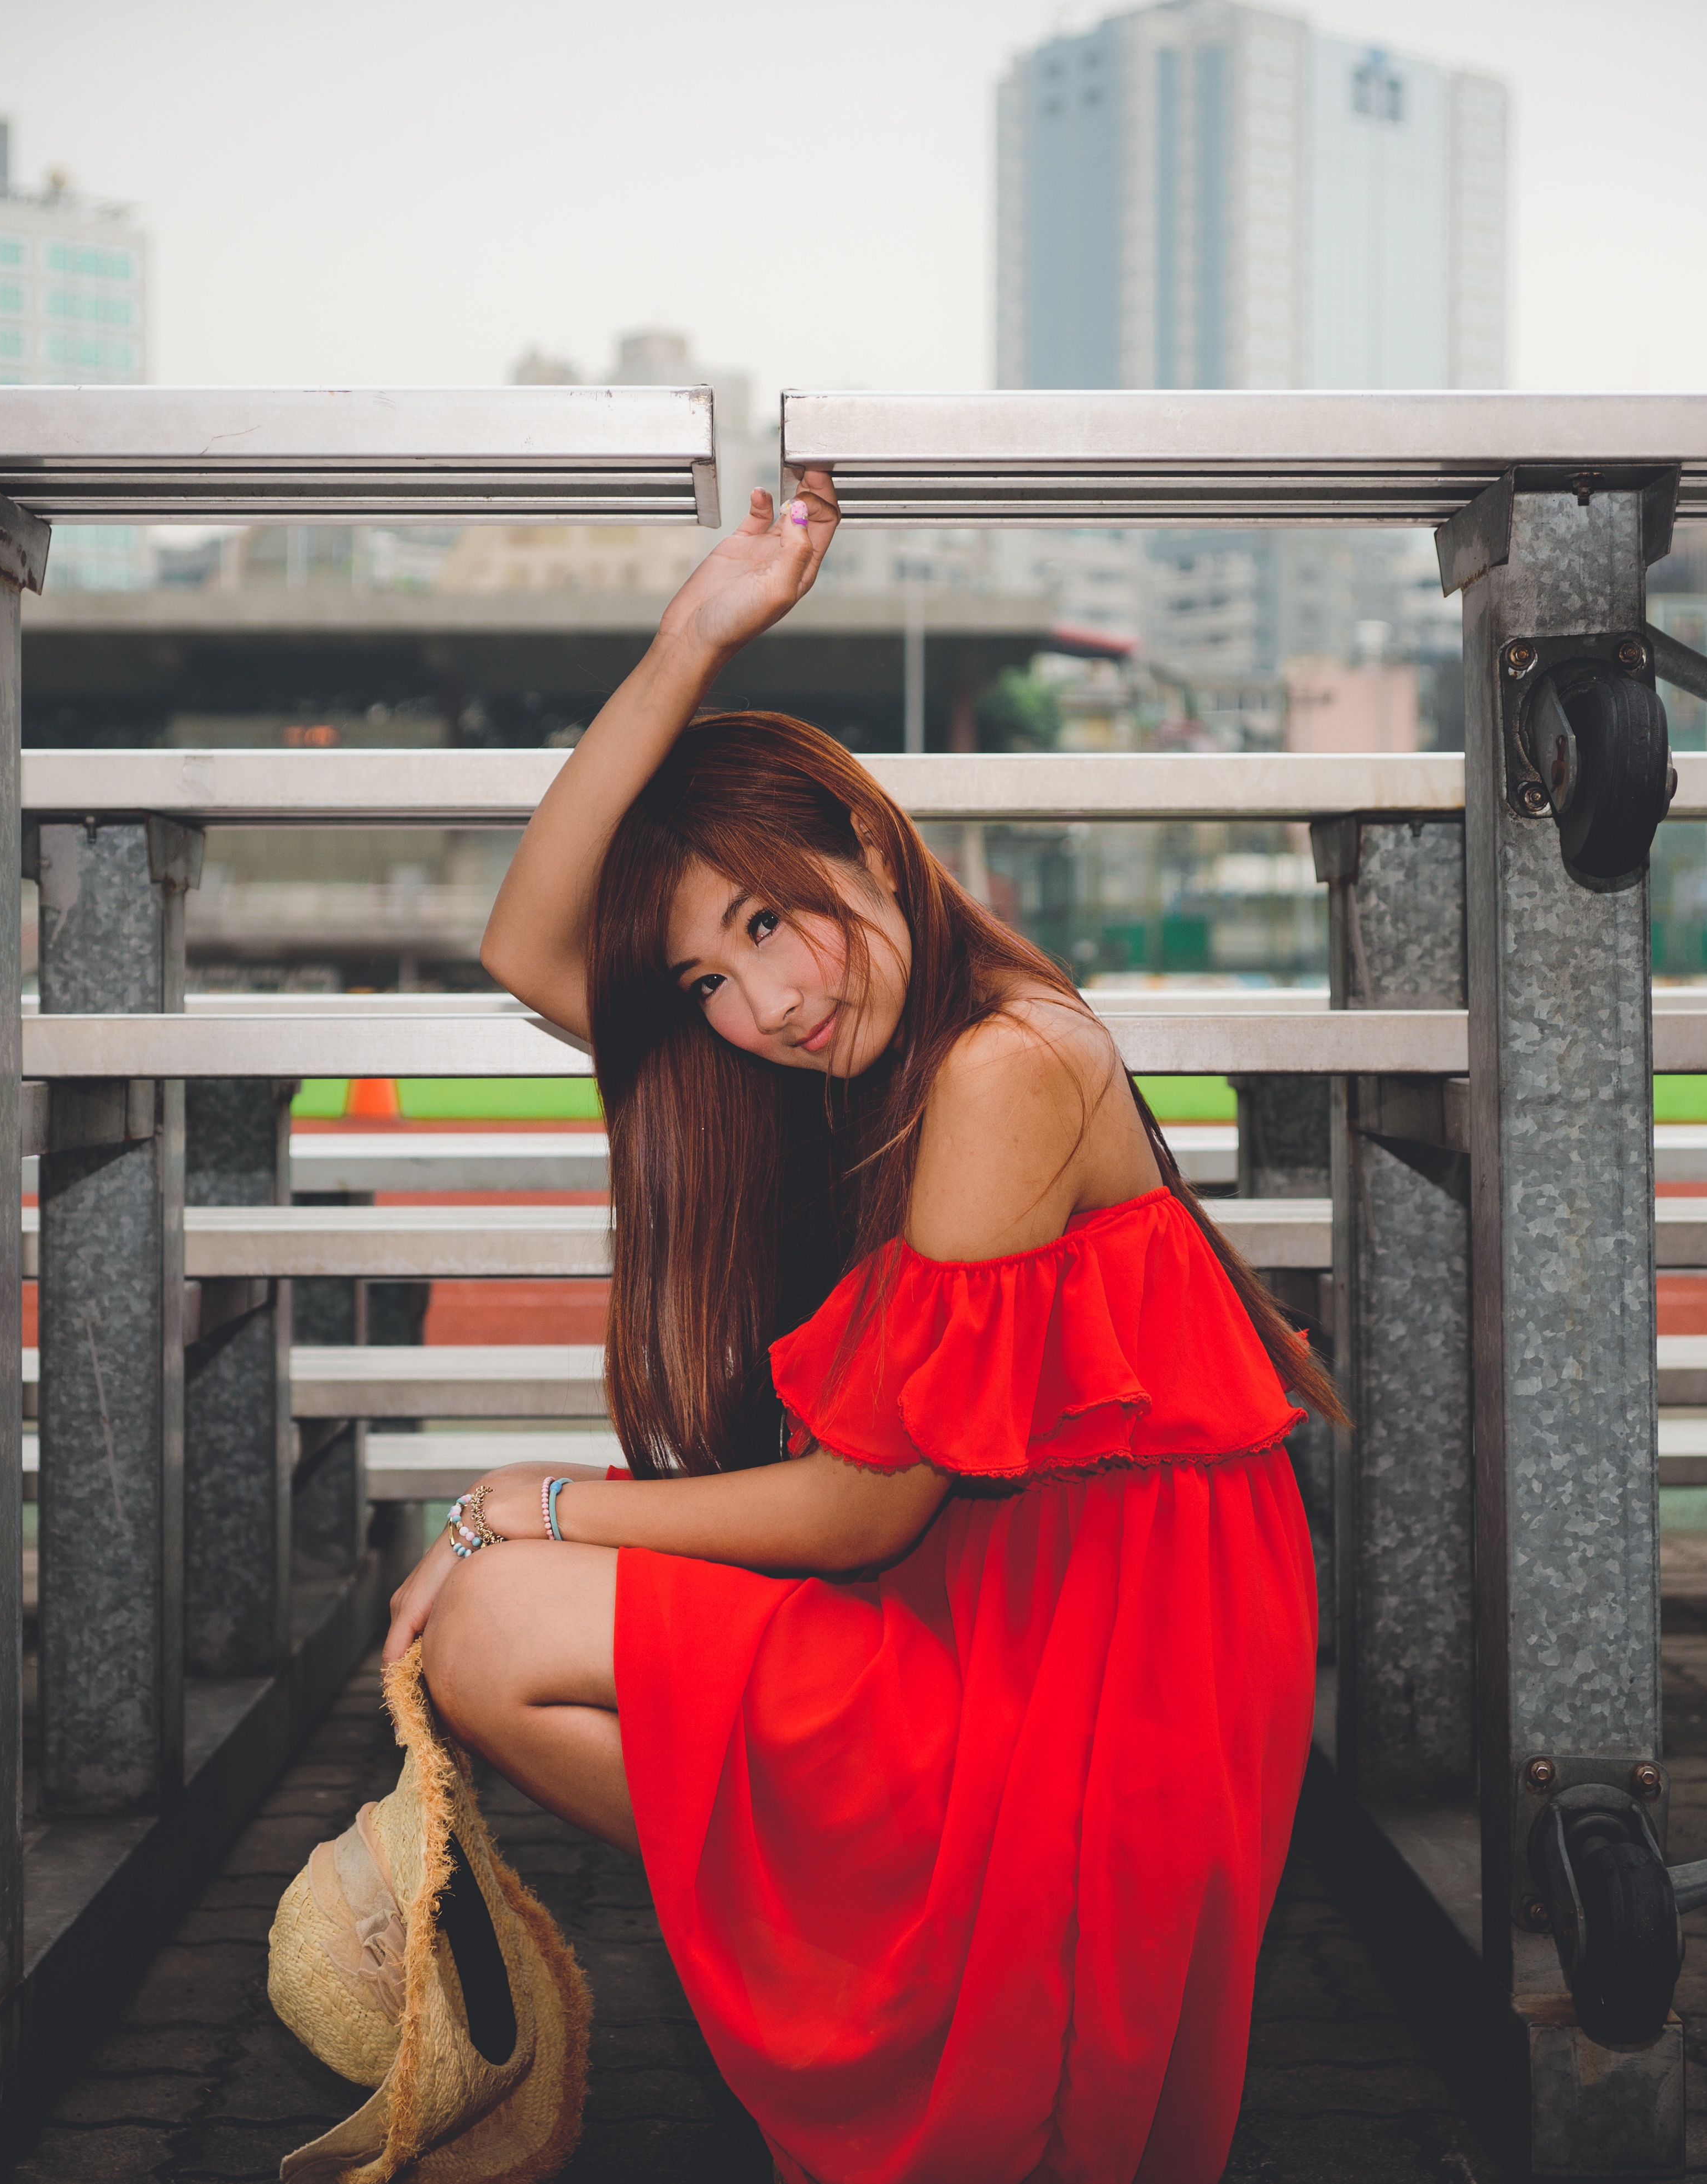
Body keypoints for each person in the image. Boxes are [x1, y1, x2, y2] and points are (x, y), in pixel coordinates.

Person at [383, 467, 1336, 2184]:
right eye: (704, 983)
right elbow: (526, 942)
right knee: (497, 1641)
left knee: (501, 1612)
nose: (765, 1007)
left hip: (1104, 1648)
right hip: (1000, 1590)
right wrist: (693, 630)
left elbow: (866, 1506)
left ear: (870, 845)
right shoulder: (844, 1061)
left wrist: (518, 1497)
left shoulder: (1003, 1066)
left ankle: (844, 1942)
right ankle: (837, 1937)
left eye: (766, 921)